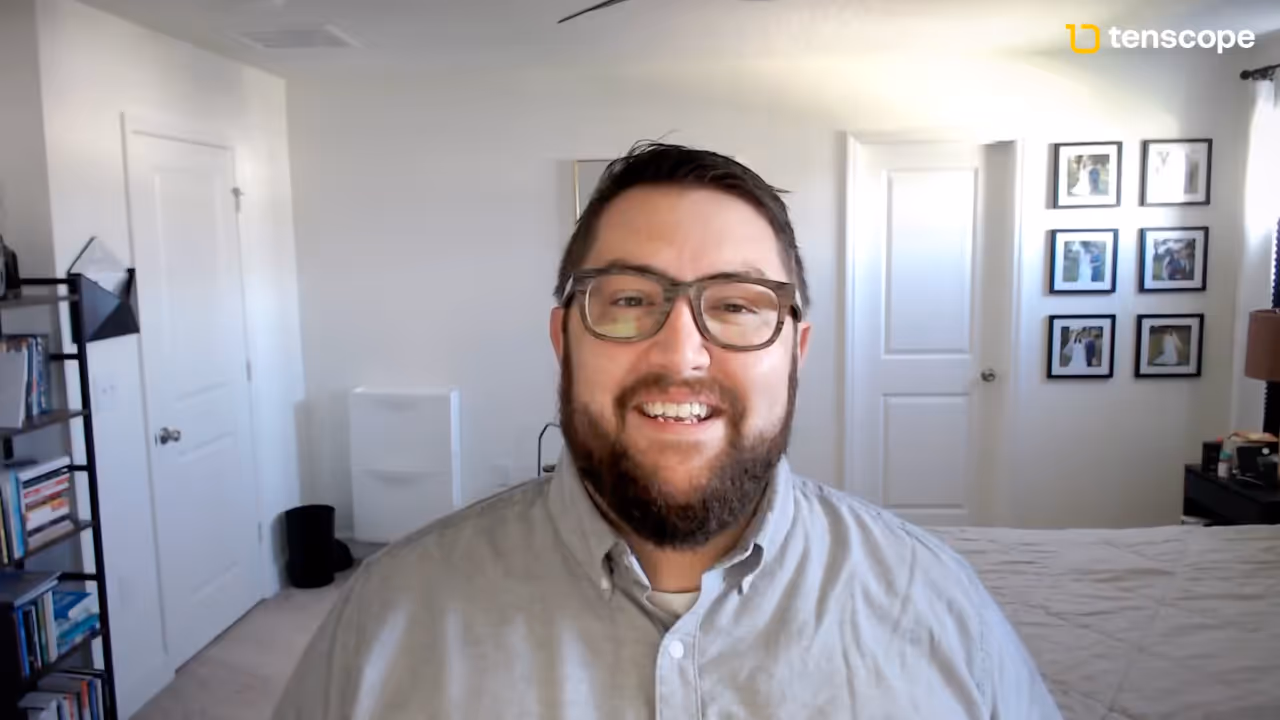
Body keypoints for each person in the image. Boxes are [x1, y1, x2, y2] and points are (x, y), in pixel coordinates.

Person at [273, 143, 1062, 719]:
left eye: (738, 305)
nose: (681, 354)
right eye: (627, 300)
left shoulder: (940, 605)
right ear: (563, 341)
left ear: (796, 353)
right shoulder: (389, 614)